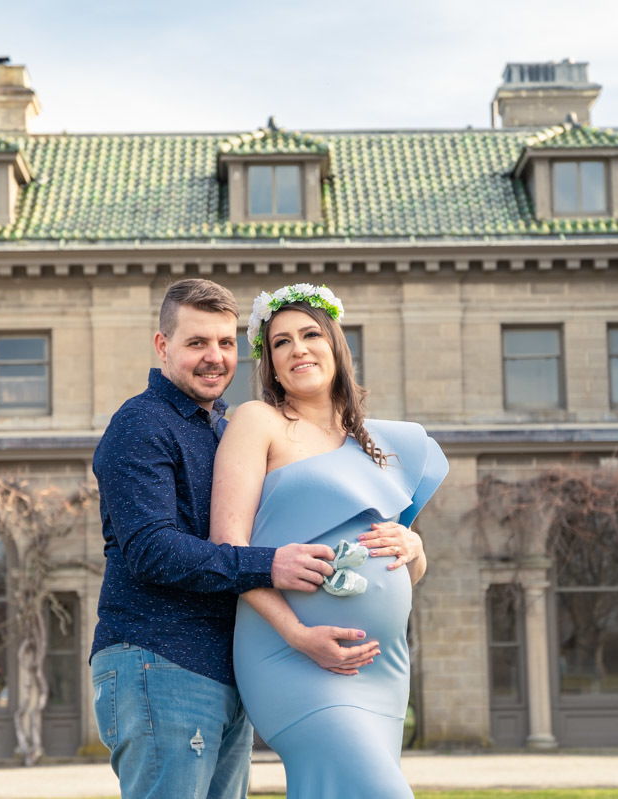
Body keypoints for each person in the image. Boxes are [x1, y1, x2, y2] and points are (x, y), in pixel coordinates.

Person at [88, 278, 383, 799]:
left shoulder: (219, 428)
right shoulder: (141, 423)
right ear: (163, 346)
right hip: (160, 659)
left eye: (226, 344)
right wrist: (268, 565)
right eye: (197, 343)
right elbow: (151, 550)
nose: (214, 358)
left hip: (223, 667)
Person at [211, 283, 449, 798]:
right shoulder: (258, 421)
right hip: (289, 657)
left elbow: (404, 569)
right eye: (280, 342)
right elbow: (227, 548)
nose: (297, 348)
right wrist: (299, 635)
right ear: (270, 364)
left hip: (381, 668)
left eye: (310, 334)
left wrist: (415, 549)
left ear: (336, 345)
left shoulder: (381, 445)